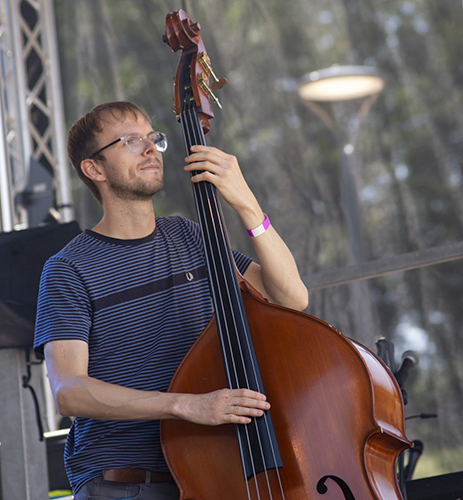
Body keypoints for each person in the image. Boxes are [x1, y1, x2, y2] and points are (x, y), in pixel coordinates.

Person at [34, 101, 308, 500]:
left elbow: (290, 298)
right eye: (130, 140)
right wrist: (185, 405)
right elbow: (70, 392)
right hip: (128, 484)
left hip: (218, 469)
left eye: (152, 138)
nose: (149, 148)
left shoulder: (189, 236)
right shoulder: (67, 270)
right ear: (94, 169)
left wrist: (247, 203)